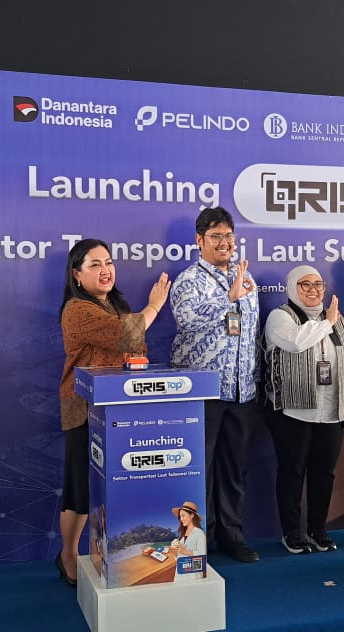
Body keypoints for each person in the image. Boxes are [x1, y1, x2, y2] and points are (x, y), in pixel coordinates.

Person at [57, 238, 170, 587]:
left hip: (119, 409)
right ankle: (67, 555)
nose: (105, 270)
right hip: (84, 409)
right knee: (80, 490)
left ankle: (114, 556)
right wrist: (154, 306)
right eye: (95, 264)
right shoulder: (77, 309)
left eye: (108, 262)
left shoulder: (115, 305)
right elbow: (126, 334)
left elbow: (135, 346)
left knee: (112, 488)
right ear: (77, 275)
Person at [170, 207, 263, 563]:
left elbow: (251, 334)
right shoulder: (188, 280)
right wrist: (228, 298)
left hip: (242, 391)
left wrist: (255, 380)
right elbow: (186, 320)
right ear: (199, 240)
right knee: (200, 470)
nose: (224, 243)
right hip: (203, 392)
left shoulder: (246, 277)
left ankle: (232, 536)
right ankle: (199, 541)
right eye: (216, 236)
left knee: (235, 469)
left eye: (228, 236)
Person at [263, 265, 344, 554]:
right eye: (305, 284)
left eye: (318, 284)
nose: (313, 290)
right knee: (292, 472)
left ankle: (318, 529)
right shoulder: (280, 316)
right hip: (292, 410)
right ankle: (291, 532)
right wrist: (327, 322)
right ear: (292, 287)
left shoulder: (338, 321)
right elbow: (296, 342)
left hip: (331, 410)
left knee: (324, 472)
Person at [170, 501, 207, 582]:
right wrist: (174, 552)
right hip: (179, 574)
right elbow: (179, 557)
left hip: (193, 576)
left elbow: (203, 555)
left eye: (183, 516)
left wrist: (185, 551)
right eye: (180, 517)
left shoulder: (199, 533)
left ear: (192, 515)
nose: (181, 519)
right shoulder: (182, 534)